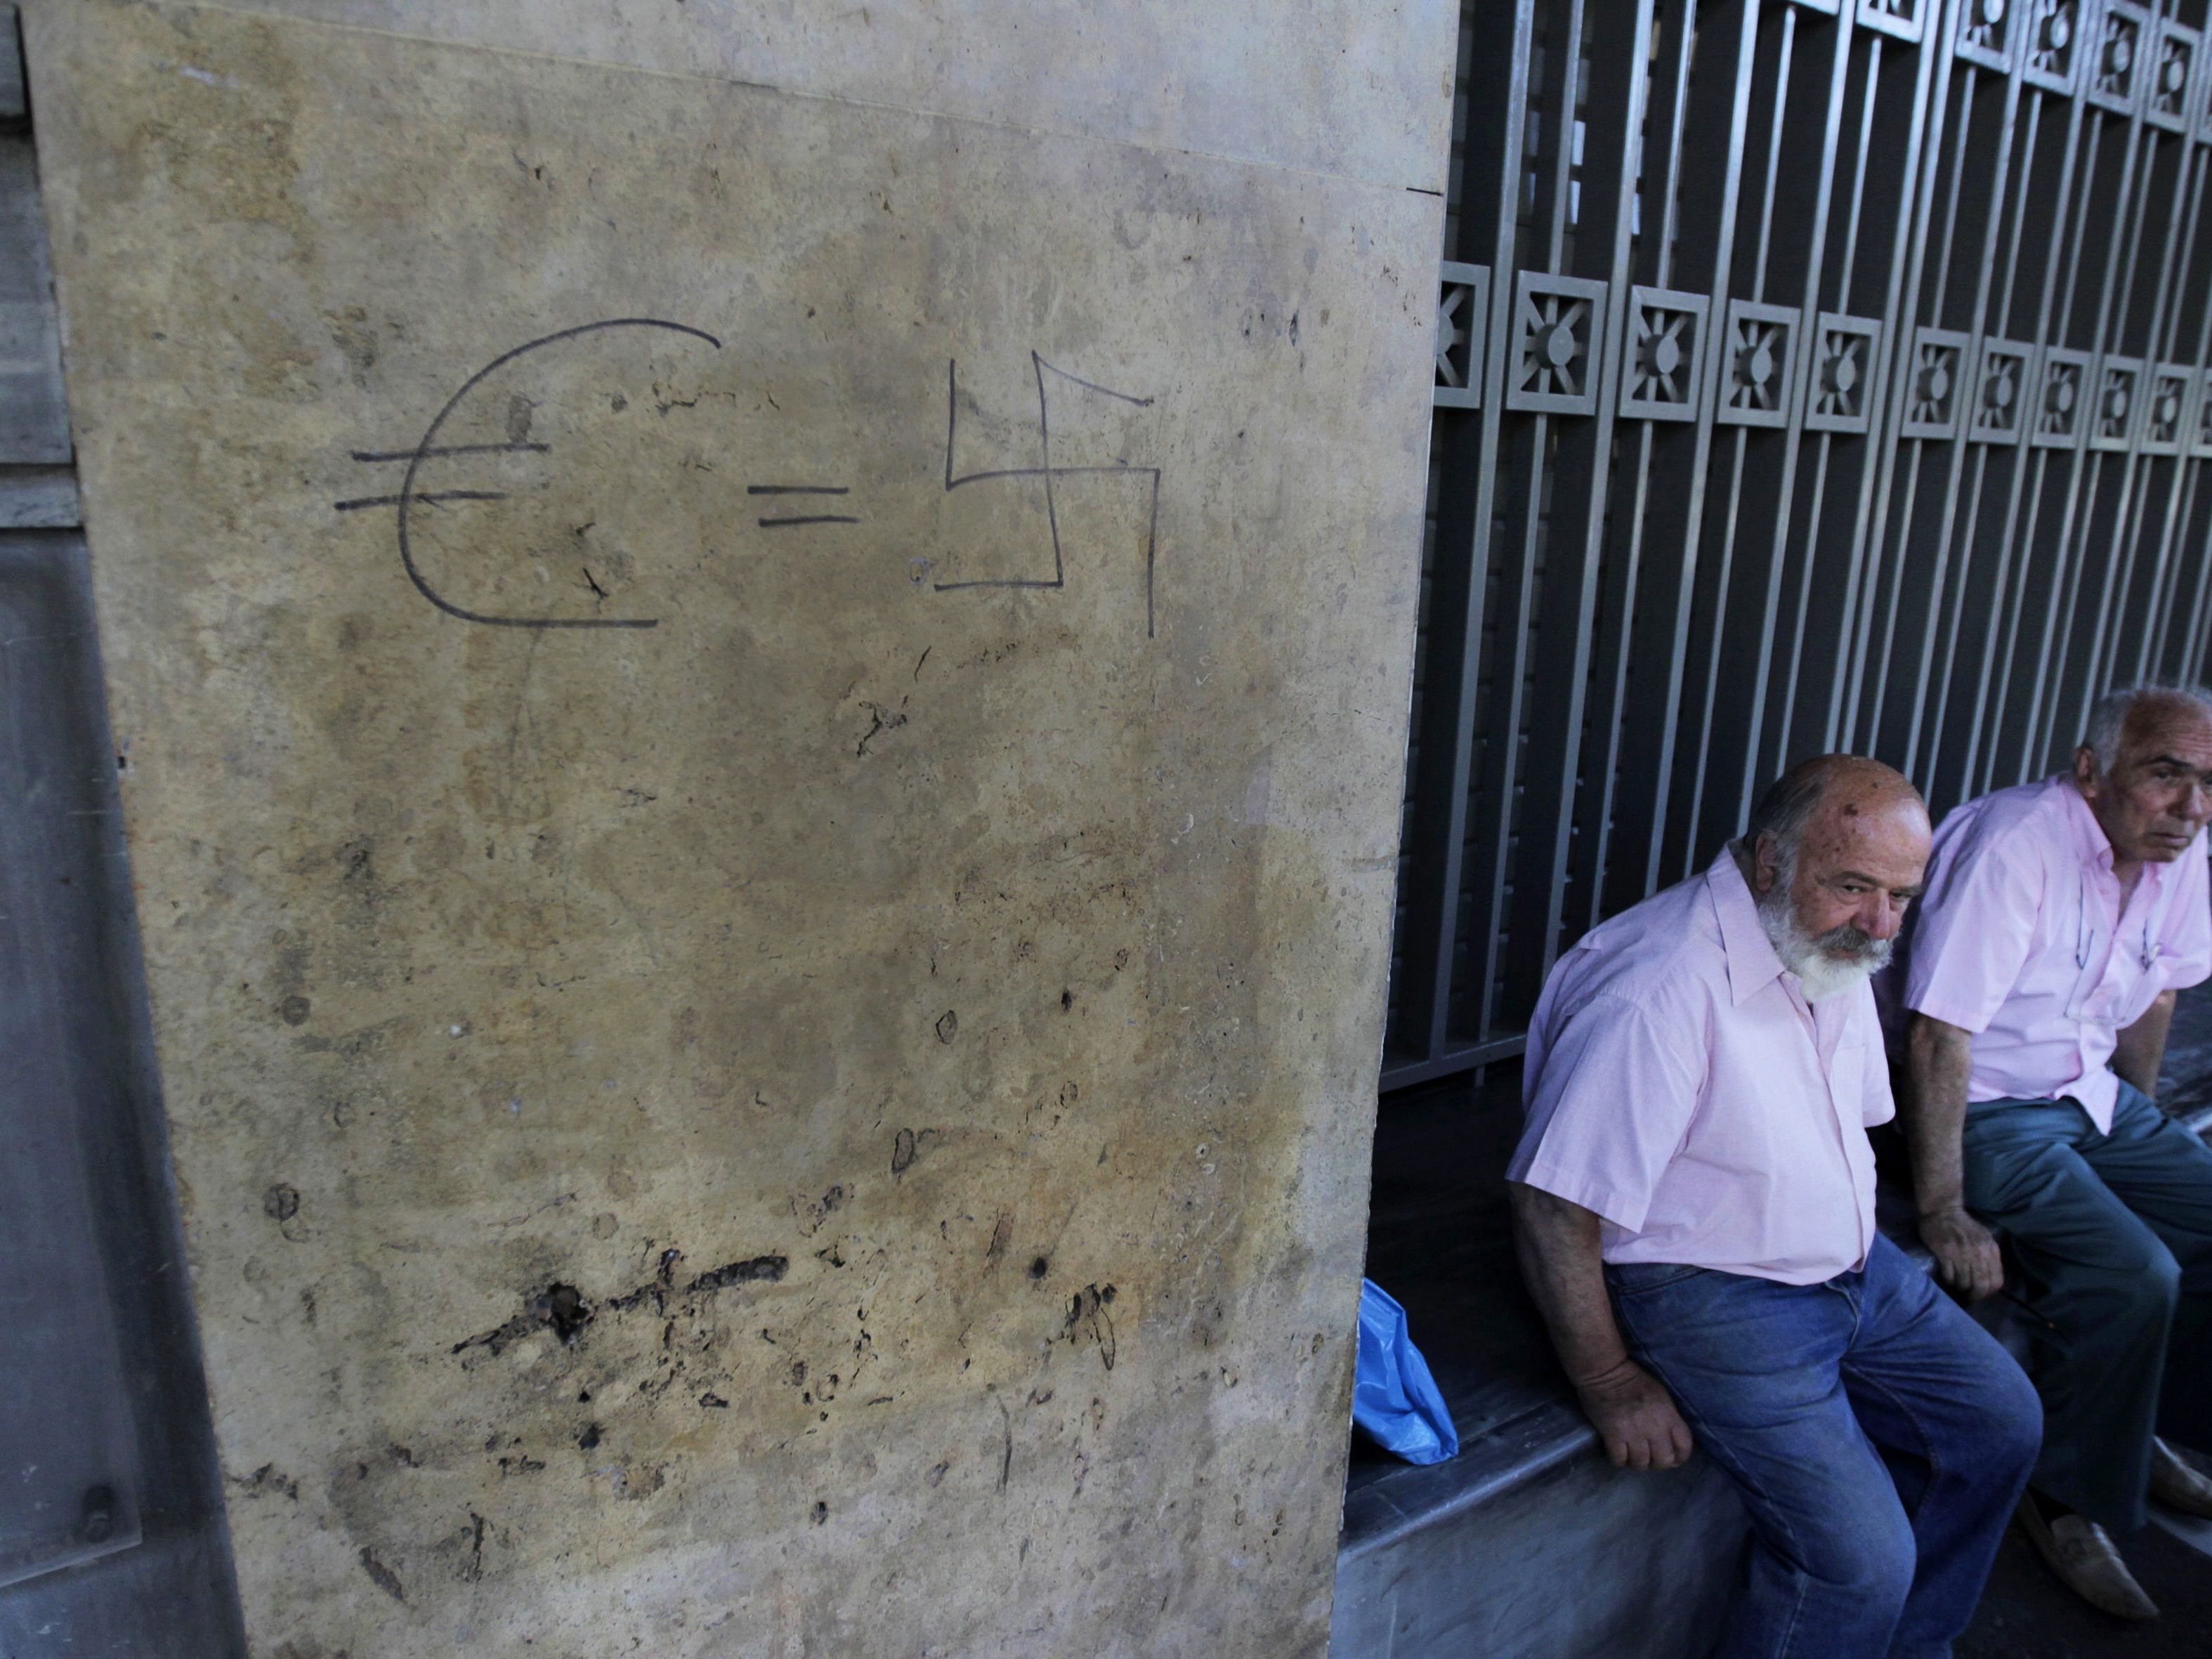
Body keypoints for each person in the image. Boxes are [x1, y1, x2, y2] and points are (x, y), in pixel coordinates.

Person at [1510, 756, 2041, 1659]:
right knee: (1857, 1562)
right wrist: (1607, 1382)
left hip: (1851, 1264)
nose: (1880, 924)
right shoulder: (1659, 984)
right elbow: (1550, 1206)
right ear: (1766, 861)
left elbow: (1852, 1125)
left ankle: (1905, 1648)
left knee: (1999, 1425)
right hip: (1714, 1289)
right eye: (1852, 886)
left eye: (1901, 897)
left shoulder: (1819, 944)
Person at [1897, 683, 2212, 1620]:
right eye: (2165, 776)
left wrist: (2135, 1132)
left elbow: (2154, 998)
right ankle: (2064, 1493)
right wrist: (1943, 1204)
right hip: (1983, 1104)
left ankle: (2143, 1418)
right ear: (2090, 770)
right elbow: (1935, 1035)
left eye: (2207, 783)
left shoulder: (2180, 850)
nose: (2191, 808)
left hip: (2090, 1093)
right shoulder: (2016, 842)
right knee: (2136, 1271)